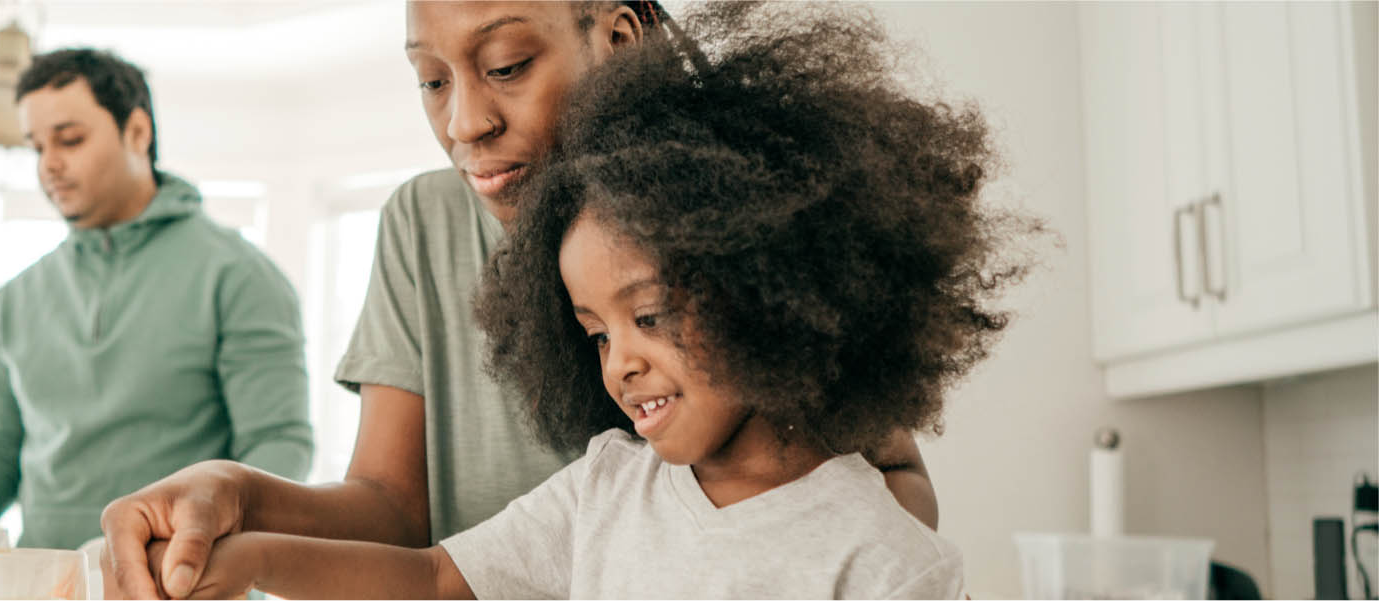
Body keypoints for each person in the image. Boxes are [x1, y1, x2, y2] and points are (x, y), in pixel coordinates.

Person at [131, 3, 1030, 597]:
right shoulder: (429, 226)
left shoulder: (743, 215)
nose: (463, 123)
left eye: (509, 65)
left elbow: (884, 493)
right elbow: (414, 545)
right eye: (433, 80)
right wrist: (235, 499)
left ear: (619, 37)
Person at [0, 47, 314, 549]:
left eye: (69, 139)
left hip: (184, 585)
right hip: (43, 583)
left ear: (137, 132)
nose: (49, 165)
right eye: (37, 147)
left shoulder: (238, 276)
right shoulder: (15, 299)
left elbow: (279, 447)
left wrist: (196, 547)